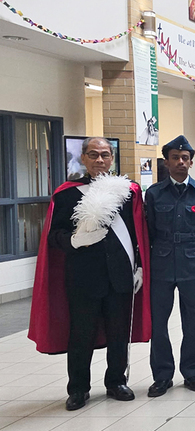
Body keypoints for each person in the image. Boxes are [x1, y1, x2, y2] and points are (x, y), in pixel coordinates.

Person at [28, 137, 151, 411]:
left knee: (119, 334)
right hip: (83, 277)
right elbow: (54, 235)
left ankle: (116, 381)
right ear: (83, 158)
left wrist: (139, 266)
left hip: (120, 275)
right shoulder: (66, 194)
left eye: (104, 155)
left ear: (112, 158)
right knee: (81, 335)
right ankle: (78, 389)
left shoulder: (127, 192)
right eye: (93, 155)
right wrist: (73, 241)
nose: (99, 160)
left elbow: (136, 233)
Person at [145, 135, 195, 397]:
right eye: (175, 157)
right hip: (161, 263)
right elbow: (149, 230)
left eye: (185, 158)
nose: (181, 162)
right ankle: (162, 376)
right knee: (159, 323)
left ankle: (193, 372)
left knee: (194, 321)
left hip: (192, 263)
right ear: (167, 161)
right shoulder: (154, 194)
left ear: (191, 162)